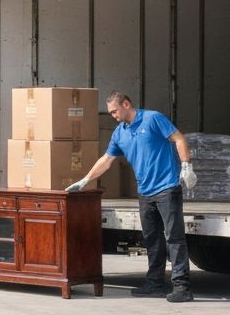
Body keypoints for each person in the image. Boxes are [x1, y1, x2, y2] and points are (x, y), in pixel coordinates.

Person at [66, 91, 196, 303]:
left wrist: (186, 165)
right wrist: (85, 180)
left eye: (115, 111)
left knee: (174, 237)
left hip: (167, 188)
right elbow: (107, 160)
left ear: (126, 104)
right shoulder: (119, 133)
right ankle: (155, 284)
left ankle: (182, 286)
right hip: (145, 192)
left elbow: (178, 138)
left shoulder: (153, 118)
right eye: (110, 112)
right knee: (152, 239)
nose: (113, 115)